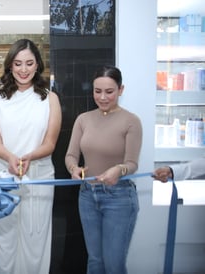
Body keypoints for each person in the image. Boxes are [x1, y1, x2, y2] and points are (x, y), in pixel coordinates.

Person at [0, 38, 62, 274]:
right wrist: (10, 158)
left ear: (38, 65)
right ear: (10, 66)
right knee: (3, 242)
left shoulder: (50, 98)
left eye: (29, 63)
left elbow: (50, 143)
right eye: (18, 64)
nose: (23, 69)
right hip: (0, 174)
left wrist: (28, 157)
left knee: (35, 241)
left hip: (39, 175)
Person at [65, 65, 142, 274]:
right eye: (97, 91)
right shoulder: (83, 119)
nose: (103, 97)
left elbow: (132, 164)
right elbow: (71, 155)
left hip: (119, 197)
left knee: (113, 264)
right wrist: (74, 169)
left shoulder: (131, 121)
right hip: (87, 196)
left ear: (121, 89)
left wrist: (118, 169)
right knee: (95, 262)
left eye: (109, 92)